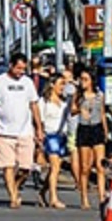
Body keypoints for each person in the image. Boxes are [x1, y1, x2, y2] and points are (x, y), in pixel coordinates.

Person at [0, 52, 41, 209]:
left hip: (25, 131)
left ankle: (15, 186)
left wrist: (39, 128)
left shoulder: (28, 83)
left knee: (25, 167)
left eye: (23, 69)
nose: (21, 72)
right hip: (4, 131)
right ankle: (13, 196)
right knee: (7, 166)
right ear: (11, 65)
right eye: (18, 68)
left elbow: (34, 105)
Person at [73, 67, 108, 209]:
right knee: (85, 167)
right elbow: (71, 111)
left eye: (86, 79)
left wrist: (106, 131)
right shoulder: (78, 95)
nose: (83, 82)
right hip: (84, 129)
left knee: (100, 165)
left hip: (97, 128)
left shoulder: (100, 95)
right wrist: (79, 110)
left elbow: (103, 113)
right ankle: (84, 198)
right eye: (81, 79)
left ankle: (102, 197)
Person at [38, 80, 70, 209]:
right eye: (61, 84)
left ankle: (42, 192)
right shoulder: (44, 102)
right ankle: (53, 198)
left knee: (55, 169)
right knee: (55, 167)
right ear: (52, 84)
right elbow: (39, 120)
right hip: (50, 135)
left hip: (62, 136)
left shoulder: (64, 103)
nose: (63, 87)